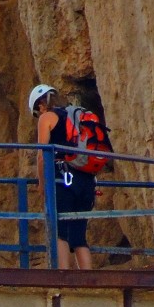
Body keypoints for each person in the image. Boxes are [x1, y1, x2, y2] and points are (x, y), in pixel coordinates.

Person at [29, 83, 95, 270]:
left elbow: (43, 154)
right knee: (79, 236)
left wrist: (42, 182)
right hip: (87, 180)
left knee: (61, 232)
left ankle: (63, 277)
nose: (38, 117)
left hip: (64, 179)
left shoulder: (47, 117)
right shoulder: (75, 115)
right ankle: (88, 281)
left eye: (36, 113)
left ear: (40, 105)